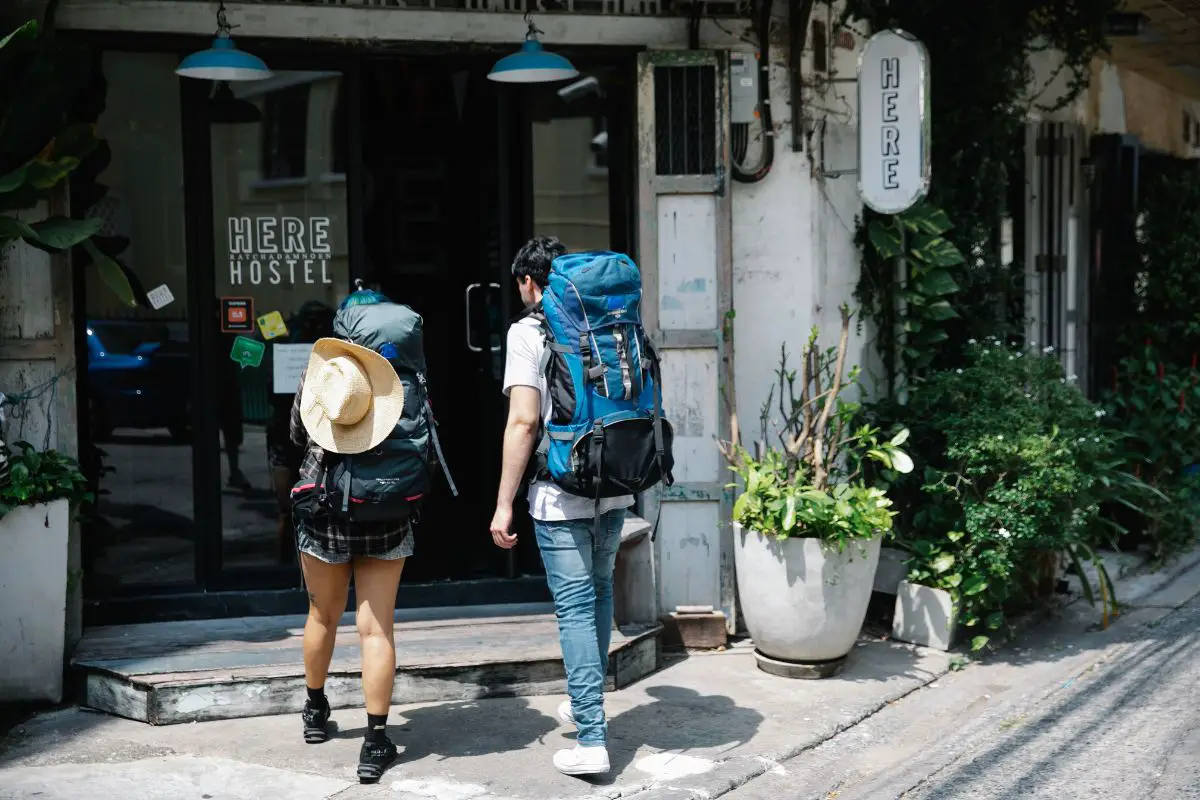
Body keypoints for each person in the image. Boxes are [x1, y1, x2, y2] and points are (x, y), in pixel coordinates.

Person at [290, 286, 448, 784]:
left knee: (322, 614)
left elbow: (299, 432)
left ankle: (316, 712)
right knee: (376, 629)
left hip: (325, 508)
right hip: (388, 511)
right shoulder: (406, 381)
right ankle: (374, 743)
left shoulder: (328, 374)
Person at [489, 237, 634, 776]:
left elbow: (524, 422)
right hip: (615, 482)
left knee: (574, 606)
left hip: (560, 490)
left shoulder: (528, 331)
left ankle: (592, 737)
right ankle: (583, 706)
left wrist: (504, 503)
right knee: (597, 594)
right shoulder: (610, 322)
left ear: (530, 283)